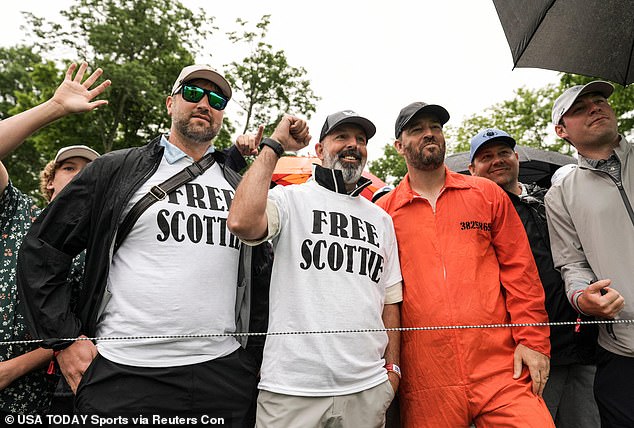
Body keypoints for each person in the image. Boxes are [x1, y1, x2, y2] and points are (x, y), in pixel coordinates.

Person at [17, 64, 270, 425]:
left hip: (222, 375)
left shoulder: (239, 187)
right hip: (125, 373)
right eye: (193, 93)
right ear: (170, 103)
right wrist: (65, 340)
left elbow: (263, 278)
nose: (204, 103)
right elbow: (43, 248)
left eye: (216, 99)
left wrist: (251, 361)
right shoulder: (116, 169)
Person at [376, 101, 554, 427]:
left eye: (436, 127)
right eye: (417, 129)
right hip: (426, 374)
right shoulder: (383, 212)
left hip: (500, 367)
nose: (430, 134)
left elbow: (521, 272)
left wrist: (532, 341)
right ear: (399, 146)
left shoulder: (486, 193)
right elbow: (378, 294)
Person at [227, 110, 403, 427]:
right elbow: (241, 222)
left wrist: (392, 372)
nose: (353, 145)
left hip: (365, 391)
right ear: (319, 151)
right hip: (291, 391)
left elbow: (390, 300)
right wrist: (275, 144)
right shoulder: (290, 199)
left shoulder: (381, 219)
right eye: (342, 137)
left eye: (360, 140)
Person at [468, 128, 599, 427]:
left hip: (582, 336)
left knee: (587, 420)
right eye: (486, 157)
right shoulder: (475, 214)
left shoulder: (550, 198)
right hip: (527, 349)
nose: (497, 161)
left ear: (516, 157)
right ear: (473, 169)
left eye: (503, 153)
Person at [0, 62, 109, 417]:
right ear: (49, 181)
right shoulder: (16, 211)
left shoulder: (101, 243)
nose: (79, 176)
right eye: (69, 168)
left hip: (37, 399)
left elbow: (78, 323)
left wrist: (11, 369)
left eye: (89, 171)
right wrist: (56, 108)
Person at [545, 80, 633, 427]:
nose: (596, 107)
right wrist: (582, 299)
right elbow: (572, 264)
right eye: (580, 108)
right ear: (561, 130)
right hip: (623, 348)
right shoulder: (560, 195)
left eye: (599, 101)